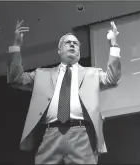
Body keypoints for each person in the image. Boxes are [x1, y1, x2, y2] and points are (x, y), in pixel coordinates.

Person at [7, 20, 121, 164]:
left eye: (76, 43)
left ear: (79, 50)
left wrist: (113, 45)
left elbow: (112, 79)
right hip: (51, 134)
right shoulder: (42, 74)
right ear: (59, 50)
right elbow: (15, 78)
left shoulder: (93, 73)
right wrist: (16, 47)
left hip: (82, 135)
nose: (72, 44)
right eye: (67, 43)